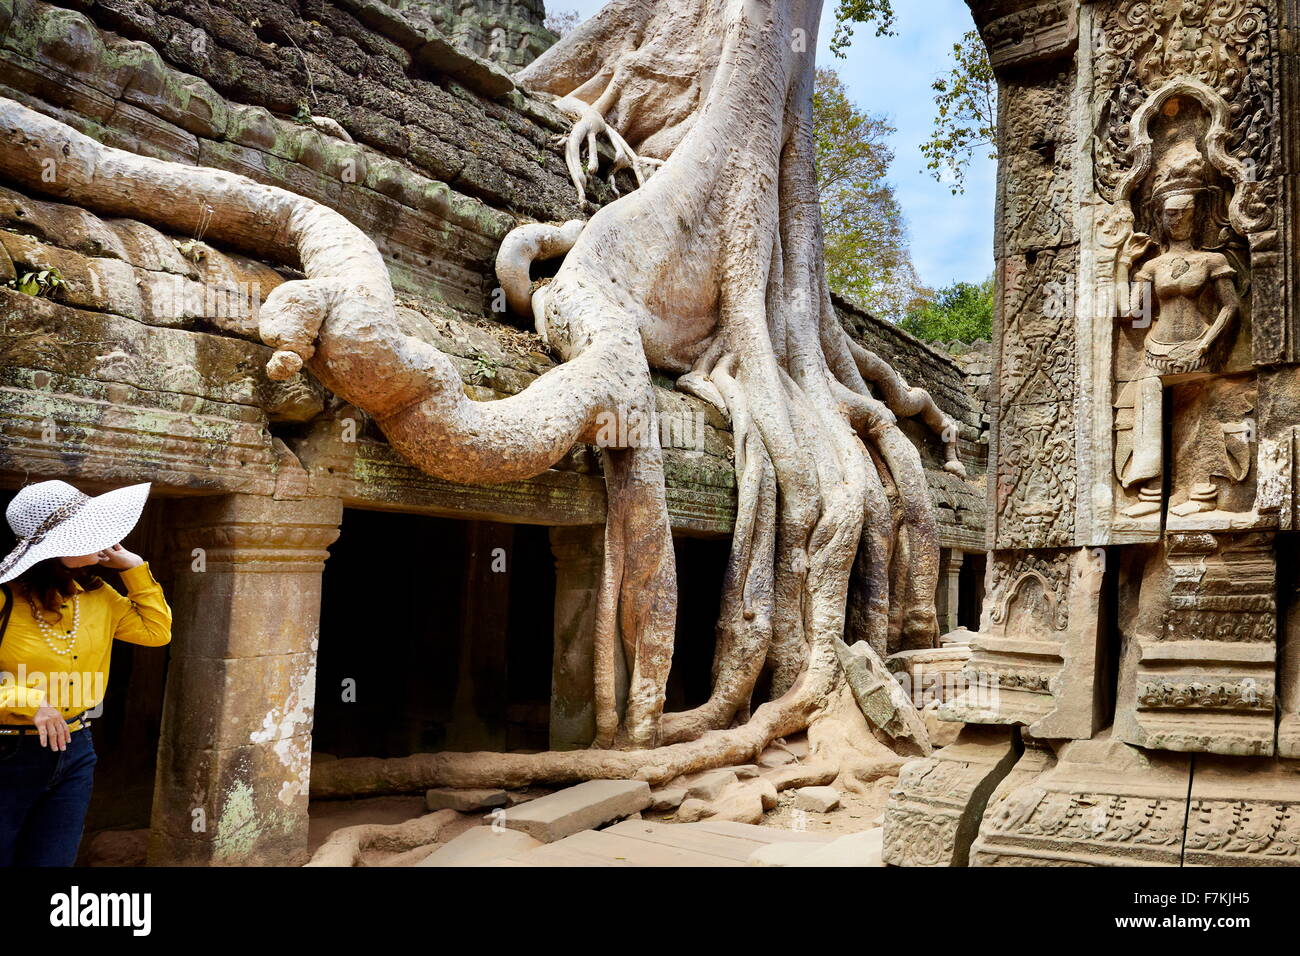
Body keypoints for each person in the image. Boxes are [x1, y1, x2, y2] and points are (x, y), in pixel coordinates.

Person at [0, 480, 171, 866]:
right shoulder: (4, 599)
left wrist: (136, 569)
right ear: (56, 547)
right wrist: (30, 702)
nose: (104, 538)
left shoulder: (98, 595)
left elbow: (156, 633)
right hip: (8, 751)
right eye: (87, 531)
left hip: (76, 751)